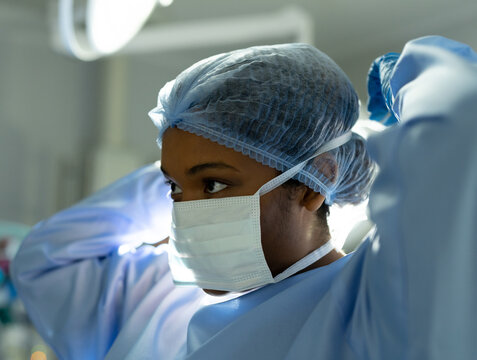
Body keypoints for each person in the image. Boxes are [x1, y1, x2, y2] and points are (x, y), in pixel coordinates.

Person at [11, 36, 477, 359]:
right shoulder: (159, 300)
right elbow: (47, 258)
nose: (184, 212)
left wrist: (412, 80)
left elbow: (463, 116)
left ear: (314, 183)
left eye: (213, 184)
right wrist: (203, 152)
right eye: (173, 188)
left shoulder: (369, 300)